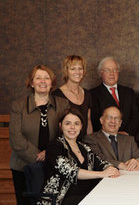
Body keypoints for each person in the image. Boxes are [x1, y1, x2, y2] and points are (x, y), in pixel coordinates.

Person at [9, 65, 69, 205]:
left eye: (47, 78)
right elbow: (15, 137)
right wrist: (38, 157)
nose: (43, 81)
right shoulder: (18, 106)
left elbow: (67, 134)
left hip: (53, 164)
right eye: (38, 78)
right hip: (22, 166)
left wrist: (49, 153)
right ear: (31, 82)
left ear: (52, 82)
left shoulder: (63, 104)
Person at [40, 109, 120, 205]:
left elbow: (101, 163)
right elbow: (71, 171)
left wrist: (110, 168)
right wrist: (102, 174)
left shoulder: (85, 147)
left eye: (77, 123)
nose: (72, 127)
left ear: (81, 126)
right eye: (68, 123)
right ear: (61, 125)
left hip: (86, 195)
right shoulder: (54, 147)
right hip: (61, 199)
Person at [84, 106, 139, 171]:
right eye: (109, 117)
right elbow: (97, 158)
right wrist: (119, 164)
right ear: (101, 120)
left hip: (128, 178)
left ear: (120, 123)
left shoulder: (129, 140)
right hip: (104, 179)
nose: (113, 121)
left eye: (116, 118)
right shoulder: (91, 139)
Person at [90, 56, 139, 136]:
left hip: (128, 138)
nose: (111, 73)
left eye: (115, 70)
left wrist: (127, 132)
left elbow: (136, 116)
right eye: (107, 70)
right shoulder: (93, 94)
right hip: (105, 140)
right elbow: (94, 120)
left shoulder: (129, 92)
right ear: (100, 73)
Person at [52, 55, 93, 139]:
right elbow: (54, 126)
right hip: (64, 144)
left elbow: (88, 121)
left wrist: (90, 142)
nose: (77, 72)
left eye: (80, 68)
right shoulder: (56, 95)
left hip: (83, 143)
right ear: (66, 71)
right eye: (73, 68)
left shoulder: (87, 94)